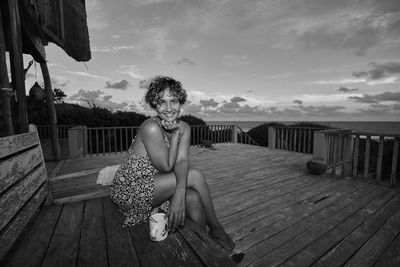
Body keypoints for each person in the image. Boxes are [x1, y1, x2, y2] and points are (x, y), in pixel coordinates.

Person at [111, 76, 235, 251]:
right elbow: (167, 166)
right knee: (195, 176)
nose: (168, 108)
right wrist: (175, 136)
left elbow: (182, 161)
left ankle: (201, 249)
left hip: (159, 183)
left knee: (193, 198)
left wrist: (179, 193)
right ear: (154, 105)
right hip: (132, 189)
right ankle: (218, 231)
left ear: (180, 102)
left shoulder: (185, 127)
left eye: (174, 101)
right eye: (162, 102)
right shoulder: (151, 127)